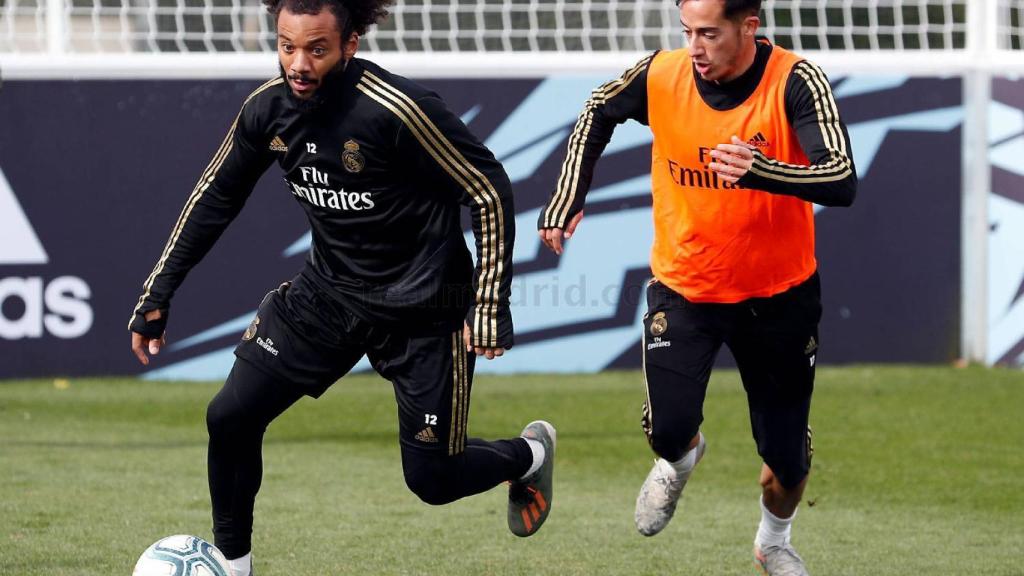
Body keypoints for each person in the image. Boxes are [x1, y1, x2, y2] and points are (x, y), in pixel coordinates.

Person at [128, 1, 556, 573]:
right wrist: (159, 292)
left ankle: (528, 455)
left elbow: (487, 189)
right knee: (229, 416)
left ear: (350, 43)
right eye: (286, 46)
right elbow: (214, 198)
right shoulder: (267, 110)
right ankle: (233, 566)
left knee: (432, 480)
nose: (297, 64)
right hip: (326, 296)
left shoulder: (398, 110)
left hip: (424, 309)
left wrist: (488, 302)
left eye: (316, 49)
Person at [537, 0, 855, 574]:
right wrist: (568, 195)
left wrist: (761, 170)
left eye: (708, 33)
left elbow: (841, 177)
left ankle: (773, 542)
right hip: (685, 286)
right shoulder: (661, 74)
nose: (694, 47)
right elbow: (596, 112)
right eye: (686, 31)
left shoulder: (796, 80)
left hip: (779, 297)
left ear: (748, 28)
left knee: (786, 458)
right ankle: (679, 463)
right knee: (669, 430)